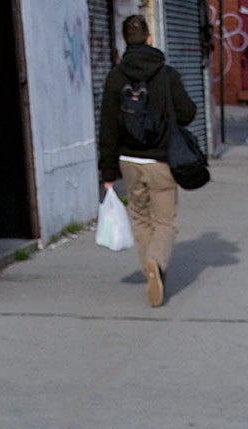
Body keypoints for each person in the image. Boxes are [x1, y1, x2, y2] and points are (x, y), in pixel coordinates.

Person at [97, 14, 197, 307]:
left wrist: (107, 171)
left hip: (128, 161)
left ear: (125, 40)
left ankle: (150, 270)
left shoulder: (115, 77)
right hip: (161, 160)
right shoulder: (166, 75)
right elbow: (188, 113)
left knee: (140, 218)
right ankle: (156, 262)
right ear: (150, 38)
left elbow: (108, 127)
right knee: (165, 221)